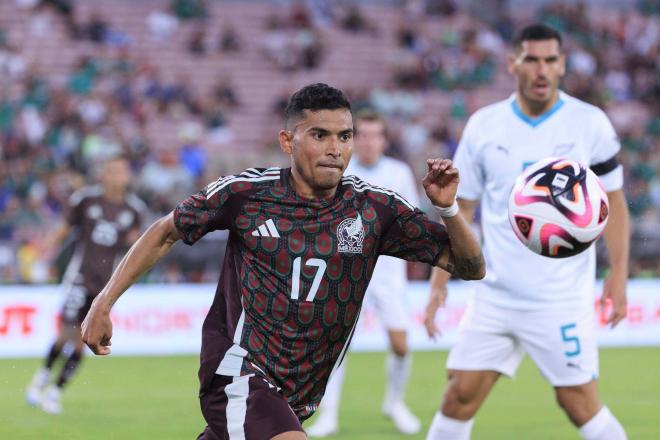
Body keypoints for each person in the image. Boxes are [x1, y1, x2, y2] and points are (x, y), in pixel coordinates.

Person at [81, 83, 485, 440]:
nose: (335, 148)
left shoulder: (375, 209)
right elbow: (167, 230)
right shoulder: (246, 193)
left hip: (299, 393)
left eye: (345, 136)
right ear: (288, 141)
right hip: (237, 371)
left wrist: (448, 211)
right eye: (320, 135)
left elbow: (470, 267)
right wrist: (103, 302)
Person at [424, 24, 629, 440]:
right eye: (531, 59)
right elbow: (460, 206)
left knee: (579, 404)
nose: (541, 69)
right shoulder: (485, 126)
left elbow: (615, 202)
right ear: (512, 63)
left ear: (563, 66)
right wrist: (438, 280)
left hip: (559, 299)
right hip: (495, 295)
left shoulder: (589, 123)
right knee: (457, 397)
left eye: (550, 60)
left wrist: (619, 273)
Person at [306, 110, 422, 437]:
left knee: (401, 345)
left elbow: (410, 221)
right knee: (336, 346)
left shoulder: (398, 173)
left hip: (387, 274)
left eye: (376, 135)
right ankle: (328, 414)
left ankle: (394, 403)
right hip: (345, 273)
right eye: (364, 135)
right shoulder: (340, 170)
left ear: (384, 140)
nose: (370, 142)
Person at [26, 156, 144, 414]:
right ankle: (42, 377)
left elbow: (137, 248)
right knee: (66, 334)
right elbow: (64, 228)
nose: (116, 176)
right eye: (111, 170)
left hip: (105, 288)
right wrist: (45, 250)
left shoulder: (134, 210)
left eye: (121, 171)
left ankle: (55, 392)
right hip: (78, 278)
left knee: (84, 340)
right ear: (103, 174)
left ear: (127, 177)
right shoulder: (86, 200)